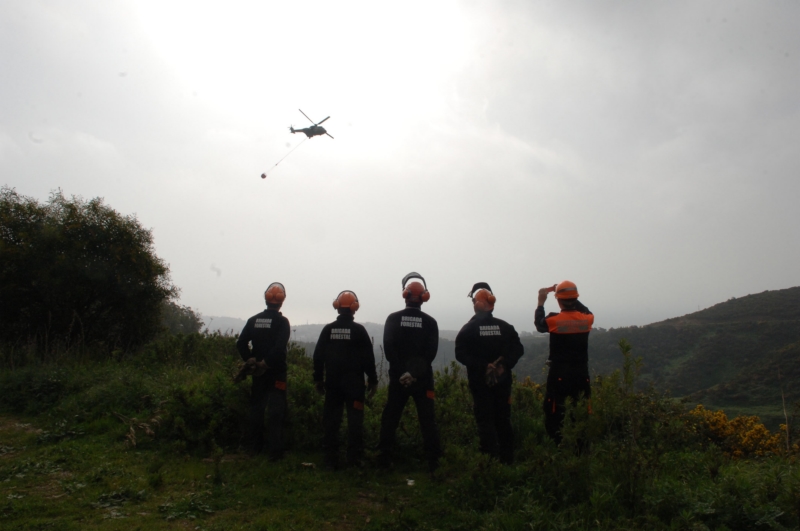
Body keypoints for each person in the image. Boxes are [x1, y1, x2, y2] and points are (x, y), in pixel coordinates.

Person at [377, 273, 442, 472]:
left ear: (404, 295)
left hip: (398, 379)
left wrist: (403, 373)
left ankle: (383, 462)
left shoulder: (393, 319)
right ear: (424, 297)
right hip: (422, 380)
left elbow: (389, 349)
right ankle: (434, 465)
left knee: (391, 418)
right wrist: (414, 374)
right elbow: (430, 353)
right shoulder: (430, 322)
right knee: (427, 420)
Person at [455, 282, 524, 464]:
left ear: (476, 305)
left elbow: (460, 353)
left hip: (479, 383)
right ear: (492, 303)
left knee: (485, 421)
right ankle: (507, 461)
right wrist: (504, 365)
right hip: (503, 383)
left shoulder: (468, 329)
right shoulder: (506, 327)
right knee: (503, 420)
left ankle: (489, 462)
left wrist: (482, 366)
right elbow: (518, 349)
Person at [313, 290, 378, 469]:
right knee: (355, 421)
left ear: (337, 307)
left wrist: (318, 379)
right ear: (354, 308)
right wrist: (373, 380)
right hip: (354, 387)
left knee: (332, 421)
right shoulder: (359, 331)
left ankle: (330, 459)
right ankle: (354, 459)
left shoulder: (328, 330)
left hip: (333, 385)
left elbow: (318, 356)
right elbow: (368, 359)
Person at [534, 280, 594, 445]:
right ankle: (580, 450)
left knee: (555, 411)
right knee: (580, 411)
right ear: (576, 298)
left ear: (558, 300)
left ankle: (558, 447)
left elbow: (539, 325)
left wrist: (541, 302)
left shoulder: (554, 320)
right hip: (582, 374)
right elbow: (585, 310)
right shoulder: (587, 320)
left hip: (559, 375)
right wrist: (568, 295)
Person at [236, 282, 291, 459]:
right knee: (276, 411)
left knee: (257, 409)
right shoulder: (282, 322)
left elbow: (241, 343)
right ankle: (275, 451)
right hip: (276, 373)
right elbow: (279, 347)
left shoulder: (253, 320)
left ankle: (255, 447)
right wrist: (266, 363)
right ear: (282, 301)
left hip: (258, 376)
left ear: (266, 299)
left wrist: (250, 361)